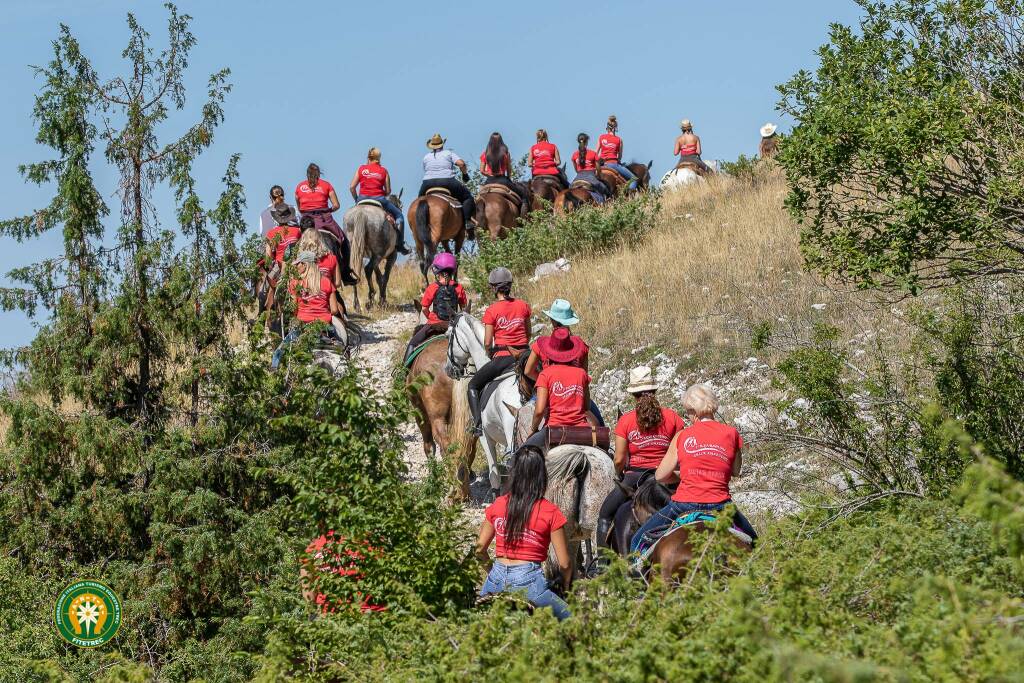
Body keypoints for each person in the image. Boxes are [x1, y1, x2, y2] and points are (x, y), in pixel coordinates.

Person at [629, 384, 758, 553]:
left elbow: (660, 476)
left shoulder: (682, 435)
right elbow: (735, 471)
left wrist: (683, 474)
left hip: (684, 505)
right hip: (720, 505)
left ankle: (635, 575)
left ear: (694, 411)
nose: (688, 416)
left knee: (637, 540)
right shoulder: (731, 433)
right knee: (755, 544)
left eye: (688, 412)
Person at [595, 366, 686, 557]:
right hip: (666, 478)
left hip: (634, 477)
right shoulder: (673, 417)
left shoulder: (626, 420)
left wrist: (618, 474)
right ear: (654, 391)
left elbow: (619, 458)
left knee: (605, 514)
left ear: (633, 394)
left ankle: (602, 566)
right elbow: (680, 452)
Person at [476, 445, 572, 621]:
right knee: (573, 622)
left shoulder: (498, 504)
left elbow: (479, 549)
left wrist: (491, 572)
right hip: (529, 582)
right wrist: (565, 586)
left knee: (476, 622)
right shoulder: (550, 512)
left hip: (495, 579)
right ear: (541, 475)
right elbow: (565, 563)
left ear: (514, 473)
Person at [468, 267, 532, 435]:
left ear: (494, 288)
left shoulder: (492, 310)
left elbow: (488, 341)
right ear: (509, 286)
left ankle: (477, 425)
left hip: (503, 358)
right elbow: (529, 333)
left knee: (472, 385)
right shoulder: (523, 306)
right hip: (525, 356)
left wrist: (489, 352)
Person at [524, 298, 603, 426]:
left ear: (552, 320)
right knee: (598, 424)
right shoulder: (581, 345)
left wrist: (545, 384)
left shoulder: (541, 345)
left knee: (524, 423)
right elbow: (584, 377)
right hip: (576, 394)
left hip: (549, 390)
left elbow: (528, 371)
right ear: (569, 321)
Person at [523, 327, 598, 450]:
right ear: (571, 352)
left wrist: (533, 429)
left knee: (523, 453)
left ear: (549, 353)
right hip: (581, 432)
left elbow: (539, 411)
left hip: (554, 431)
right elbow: (586, 407)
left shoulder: (545, 375)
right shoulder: (581, 374)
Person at [271, 251, 346, 370]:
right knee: (343, 346)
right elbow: (334, 310)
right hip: (325, 327)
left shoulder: (295, 283)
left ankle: (275, 373)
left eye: (298, 264)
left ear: (305, 264)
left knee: (278, 353)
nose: (296, 267)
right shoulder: (327, 282)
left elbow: (293, 309)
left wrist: (300, 313)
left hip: (303, 327)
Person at [296, 163, 358, 286]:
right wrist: (328, 210)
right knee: (344, 241)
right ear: (319, 174)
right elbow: (336, 205)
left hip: (306, 220)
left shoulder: (299, 187)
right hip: (324, 218)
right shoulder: (326, 185)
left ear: (307, 174)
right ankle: (345, 273)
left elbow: (299, 207)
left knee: (293, 243)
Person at [403, 252, 468, 361]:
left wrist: (431, 319)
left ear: (437, 270)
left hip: (434, 325)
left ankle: (403, 372)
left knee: (412, 343)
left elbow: (424, 309)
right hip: (453, 325)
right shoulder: (459, 288)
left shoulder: (432, 287)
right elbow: (464, 309)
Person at [347, 147, 409, 255]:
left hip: (362, 199)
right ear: (379, 158)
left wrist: (357, 199)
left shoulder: (361, 169)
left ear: (368, 157)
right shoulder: (383, 171)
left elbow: (352, 187)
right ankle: (400, 244)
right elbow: (388, 191)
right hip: (379, 199)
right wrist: (381, 193)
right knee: (400, 217)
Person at [418, 133, 476, 229]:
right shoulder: (449, 153)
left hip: (428, 183)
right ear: (442, 144)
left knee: (419, 201)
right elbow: (461, 164)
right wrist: (465, 175)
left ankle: (419, 224)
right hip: (447, 181)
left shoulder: (426, 157)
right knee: (467, 197)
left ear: (431, 146)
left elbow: (426, 169)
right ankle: (467, 221)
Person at [479, 132, 531, 214]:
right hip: (502, 180)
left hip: (489, 181)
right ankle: (523, 221)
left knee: (478, 199)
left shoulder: (485, 154)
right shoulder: (505, 153)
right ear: (501, 141)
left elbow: (481, 170)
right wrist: (509, 178)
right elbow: (508, 168)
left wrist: (489, 174)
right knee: (523, 195)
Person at [597, 115, 638, 191]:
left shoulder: (601, 137)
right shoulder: (619, 140)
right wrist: (618, 161)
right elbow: (620, 157)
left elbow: (596, 154)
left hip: (602, 164)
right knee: (634, 179)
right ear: (616, 128)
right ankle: (629, 194)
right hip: (614, 164)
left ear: (607, 128)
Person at [570, 133, 611, 202]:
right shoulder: (593, 153)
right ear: (587, 142)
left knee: (569, 189)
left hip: (577, 179)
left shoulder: (574, 155)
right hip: (591, 177)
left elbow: (576, 170)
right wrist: (598, 176)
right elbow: (598, 169)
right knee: (605, 189)